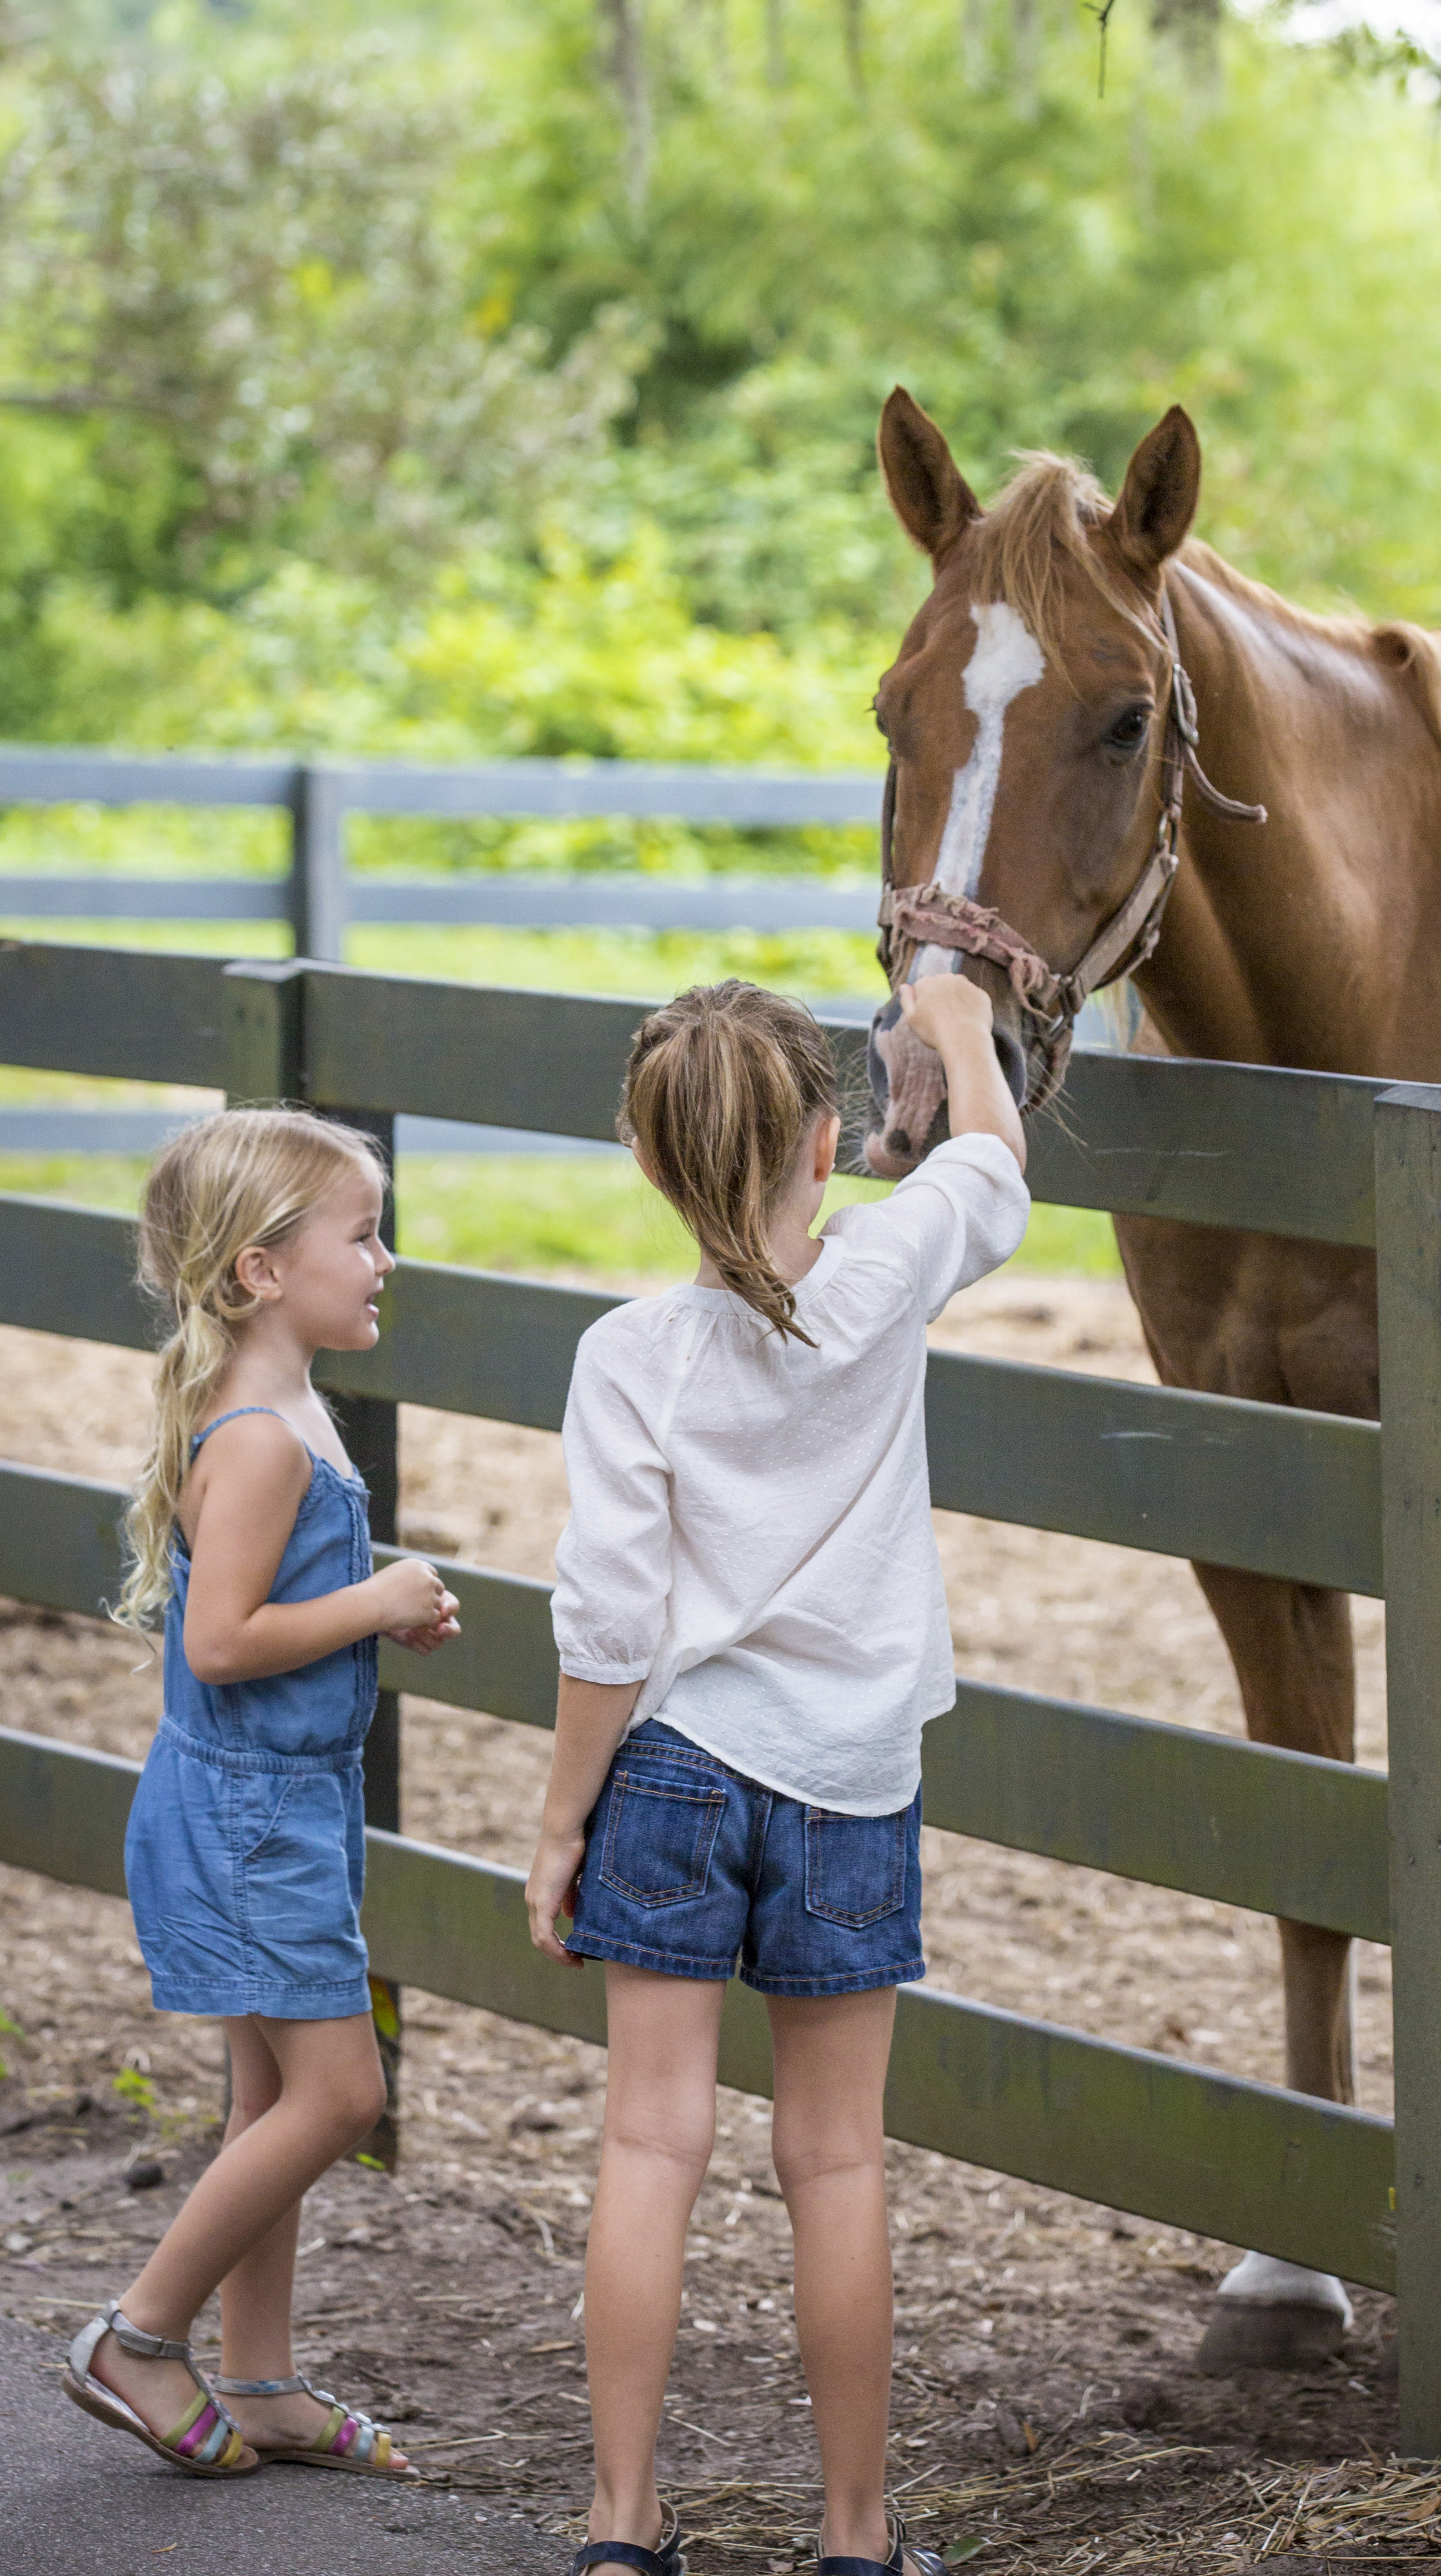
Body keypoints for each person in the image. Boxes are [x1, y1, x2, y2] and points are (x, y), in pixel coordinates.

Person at [525, 972, 1030, 2576]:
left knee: (647, 2145)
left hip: (673, 1772)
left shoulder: (627, 1358)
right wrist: (956, 1022)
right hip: (850, 1780)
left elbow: (611, 1626)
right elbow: (995, 1165)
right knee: (836, 2161)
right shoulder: (884, 1270)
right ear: (828, 1141)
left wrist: (560, 1824)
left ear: (645, 1158)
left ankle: (621, 2528)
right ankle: (857, 2539)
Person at [63, 1106, 460, 2481]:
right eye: (363, 1236)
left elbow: (255, 1612)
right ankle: (139, 2337)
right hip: (250, 1817)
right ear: (261, 1270)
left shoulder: (287, 1410)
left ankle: (262, 2380)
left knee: (270, 2099)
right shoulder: (263, 1437)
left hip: (279, 1802)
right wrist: (377, 1601)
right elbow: (223, 1643)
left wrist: (366, 1608)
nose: (385, 1261)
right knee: (340, 2097)